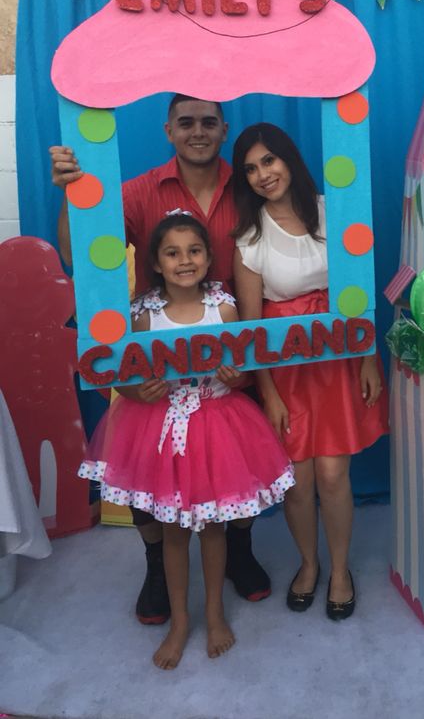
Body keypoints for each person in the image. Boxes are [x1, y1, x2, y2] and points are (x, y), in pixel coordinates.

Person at [49, 95, 270, 626]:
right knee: (148, 474)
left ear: (224, 130)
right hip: (156, 364)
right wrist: (71, 192)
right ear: (168, 129)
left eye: (209, 122)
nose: (198, 131)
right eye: (187, 122)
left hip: (231, 349)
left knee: (236, 463)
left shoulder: (248, 187)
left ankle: (238, 551)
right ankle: (156, 564)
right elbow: (80, 252)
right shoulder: (140, 190)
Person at [78, 213, 294, 669]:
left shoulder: (225, 307)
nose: (184, 261)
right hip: (158, 432)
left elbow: (240, 371)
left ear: (209, 257)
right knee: (173, 535)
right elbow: (126, 376)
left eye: (194, 251)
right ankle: (180, 621)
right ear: (155, 262)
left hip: (218, 427)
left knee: (213, 528)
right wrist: (140, 390)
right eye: (172, 253)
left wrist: (236, 380)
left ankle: (214, 613)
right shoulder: (143, 315)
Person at [232, 123, 389, 621]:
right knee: (298, 481)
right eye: (251, 168)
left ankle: (340, 570)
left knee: (332, 472)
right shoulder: (250, 237)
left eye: (269, 161)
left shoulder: (333, 211)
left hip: (340, 359)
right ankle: (308, 563)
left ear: (288, 160)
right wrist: (270, 395)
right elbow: (253, 330)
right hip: (286, 371)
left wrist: (367, 358)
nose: (262, 174)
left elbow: (359, 291)